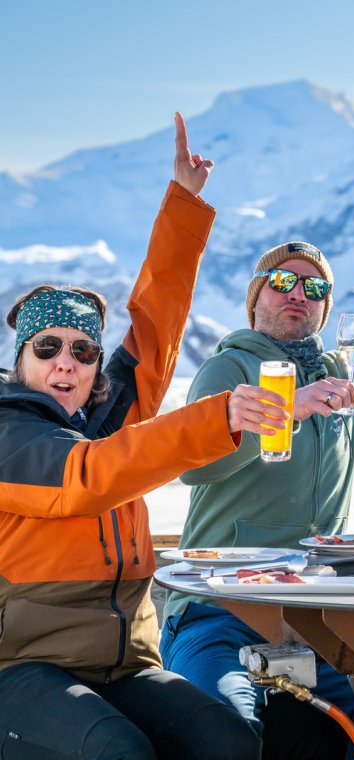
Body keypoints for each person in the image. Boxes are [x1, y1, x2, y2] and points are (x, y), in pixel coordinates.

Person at [0, 114, 287, 759]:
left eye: (82, 351)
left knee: (229, 742)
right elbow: (87, 479)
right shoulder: (7, 432)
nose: (66, 363)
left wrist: (184, 202)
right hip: (17, 667)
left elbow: (154, 329)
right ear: (20, 360)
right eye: (48, 348)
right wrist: (220, 418)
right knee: (117, 752)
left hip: (122, 663)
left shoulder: (107, 414)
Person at [160, 175, 354, 759]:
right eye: (281, 281)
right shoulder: (229, 369)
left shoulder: (342, 380)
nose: (296, 293)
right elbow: (193, 468)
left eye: (314, 288)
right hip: (217, 608)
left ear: (325, 309)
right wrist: (285, 412)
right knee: (222, 731)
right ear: (256, 298)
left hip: (311, 615)